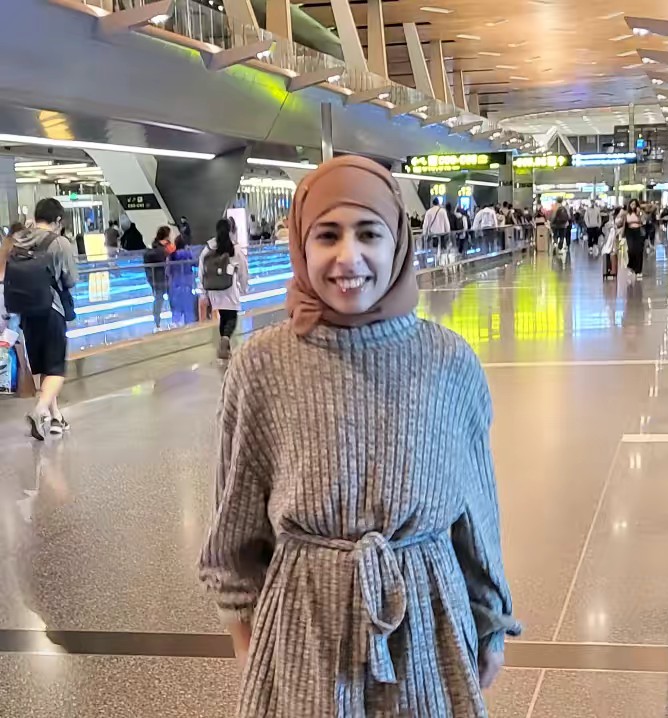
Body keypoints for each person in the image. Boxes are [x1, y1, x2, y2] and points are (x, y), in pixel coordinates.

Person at [198, 155, 519, 717]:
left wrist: (489, 620)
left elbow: (475, 513)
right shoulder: (263, 365)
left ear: (397, 243)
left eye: (369, 233)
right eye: (327, 235)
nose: (348, 257)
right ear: (302, 244)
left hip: (428, 620)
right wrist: (247, 642)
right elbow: (236, 520)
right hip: (303, 627)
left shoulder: (448, 362)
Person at [3, 198, 78, 439]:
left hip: (26, 311)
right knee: (56, 369)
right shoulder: (59, 243)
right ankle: (39, 411)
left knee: (42, 365)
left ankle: (55, 417)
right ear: (58, 220)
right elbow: (70, 279)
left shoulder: (18, 240)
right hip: (51, 309)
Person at [197, 217, 249, 359]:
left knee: (223, 316)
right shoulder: (234, 248)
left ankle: (225, 348)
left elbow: (201, 271)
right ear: (230, 230)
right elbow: (243, 270)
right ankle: (225, 339)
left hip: (214, 289)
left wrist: (203, 292)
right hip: (229, 287)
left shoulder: (208, 248)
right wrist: (244, 287)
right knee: (231, 317)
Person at [143, 226, 171, 329]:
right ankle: (157, 321)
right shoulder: (159, 250)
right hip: (159, 278)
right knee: (159, 298)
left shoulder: (158, 247)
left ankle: (162, 320)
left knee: (162, 298)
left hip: (162, 277)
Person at [167, 235, 196, 325]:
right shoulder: (189, 254)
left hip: (176, 285)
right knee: (189, 309)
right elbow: (195, 264)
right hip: (188, 284)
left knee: (177, 309)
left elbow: (168, 271)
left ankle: (176, 325)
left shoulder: (172, 256)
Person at [625, 199, 644, 279]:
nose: (633, 206)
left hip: (638, 231)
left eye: (635, 204)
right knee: (631, 249)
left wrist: (638, 214)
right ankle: (631, 266)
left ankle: (638, 270)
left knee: (638, 250)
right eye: (632, 204)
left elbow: (643, 221)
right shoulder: (626, 213)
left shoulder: (639, 212)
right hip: (629, 232)